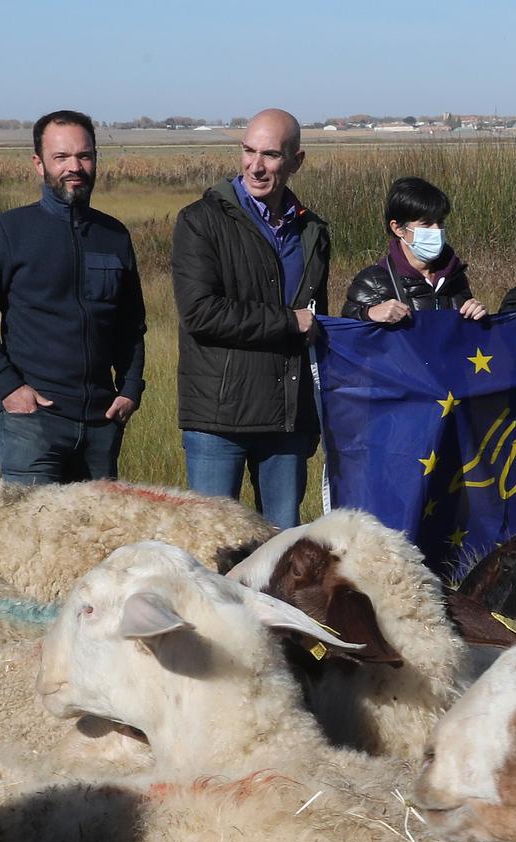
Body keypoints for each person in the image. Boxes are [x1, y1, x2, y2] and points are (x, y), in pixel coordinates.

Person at [0, 110, 147, 487]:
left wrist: (130, 389)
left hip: (101, 422)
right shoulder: (9, 231)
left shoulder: (114, 235)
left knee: (95, 541)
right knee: (33, 538)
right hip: (33, 423)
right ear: (39, 164)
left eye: (84, 156)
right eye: (61, 158)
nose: (74, 167)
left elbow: (130, 325)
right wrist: (7, 385)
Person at [170, 109, 331, 528]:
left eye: (271, 155)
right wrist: (287, 322)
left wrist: (370, 316)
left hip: (286, 420)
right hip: (219, 419)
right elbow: (200, 313)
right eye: (248, 151)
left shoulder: (312, 232)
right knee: (210, 548)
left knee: (280, 550)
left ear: (296, 161)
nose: (255, 166)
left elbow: (317, 320)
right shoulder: (200, 221)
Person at [341, 177, 487, 323]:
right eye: (427, 224)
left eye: (440, 222)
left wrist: (479, 319)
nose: (436, 230)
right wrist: (368, 314)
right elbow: (345, 335)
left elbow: (469, 338)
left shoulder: (454, 277)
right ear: (398, 228)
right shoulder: (373, 282)